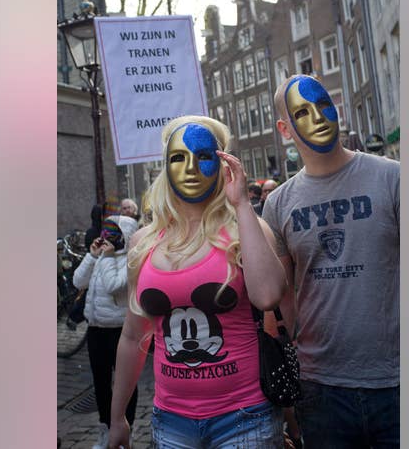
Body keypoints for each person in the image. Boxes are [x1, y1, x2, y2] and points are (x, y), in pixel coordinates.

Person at [107, 115, 287, 448]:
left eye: (203, 156)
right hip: (171, 423)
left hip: (246, 419)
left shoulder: (244, 230)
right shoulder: (143, 243)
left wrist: (242, 203)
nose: (190, 167)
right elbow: (134, 337)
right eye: (178, 157)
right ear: (165, 168)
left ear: (221, 165)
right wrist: (118, 418)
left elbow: (269, 296)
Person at [261, 75, 400, 448]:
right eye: (302, 112)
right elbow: (278, 301)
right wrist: (289, 389)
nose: (319, 117)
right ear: (285, 130)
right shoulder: (279, 204)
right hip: (321, 389)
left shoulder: (393, 178)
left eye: (323, 105)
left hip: (399, 382)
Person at [71, 214, 141, 449]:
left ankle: (126, 431)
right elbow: (78, 281)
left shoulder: (131, 260)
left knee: (125, 383)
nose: (106, 237)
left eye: (112, 232)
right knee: (100, 384)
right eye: (105, 231)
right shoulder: (102, 255)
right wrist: (92, 256)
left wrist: (109, 257)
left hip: (120, 331)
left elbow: (114, 285)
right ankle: (105, 430)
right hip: (96, 330)